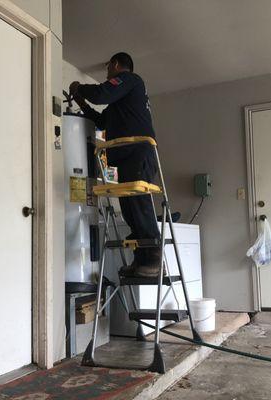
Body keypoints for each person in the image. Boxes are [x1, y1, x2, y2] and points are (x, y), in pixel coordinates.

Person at [69, 52, 161, 278]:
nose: (108, 72)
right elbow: (101, 121)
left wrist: (80, 87)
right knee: (130, 212)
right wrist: (82, 103)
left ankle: (155, 261)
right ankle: (141, 261)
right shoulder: (120, 105)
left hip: (139, 154)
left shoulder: (131, 79)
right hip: (128, 159)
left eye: (109, 69)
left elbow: (101, 94)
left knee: (140, 207)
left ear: (116, 65)